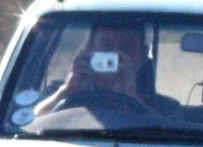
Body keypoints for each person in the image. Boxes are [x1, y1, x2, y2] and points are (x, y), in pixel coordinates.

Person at [33, 24, 162, 124]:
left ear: (143, 54)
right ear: (90, 49)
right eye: (106, 46)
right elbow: (27, 124)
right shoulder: (58, 94)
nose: (116, 54)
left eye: (126, 47)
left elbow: (168, 134)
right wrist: (68, 90)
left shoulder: (164, 107)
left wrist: (132, 96)